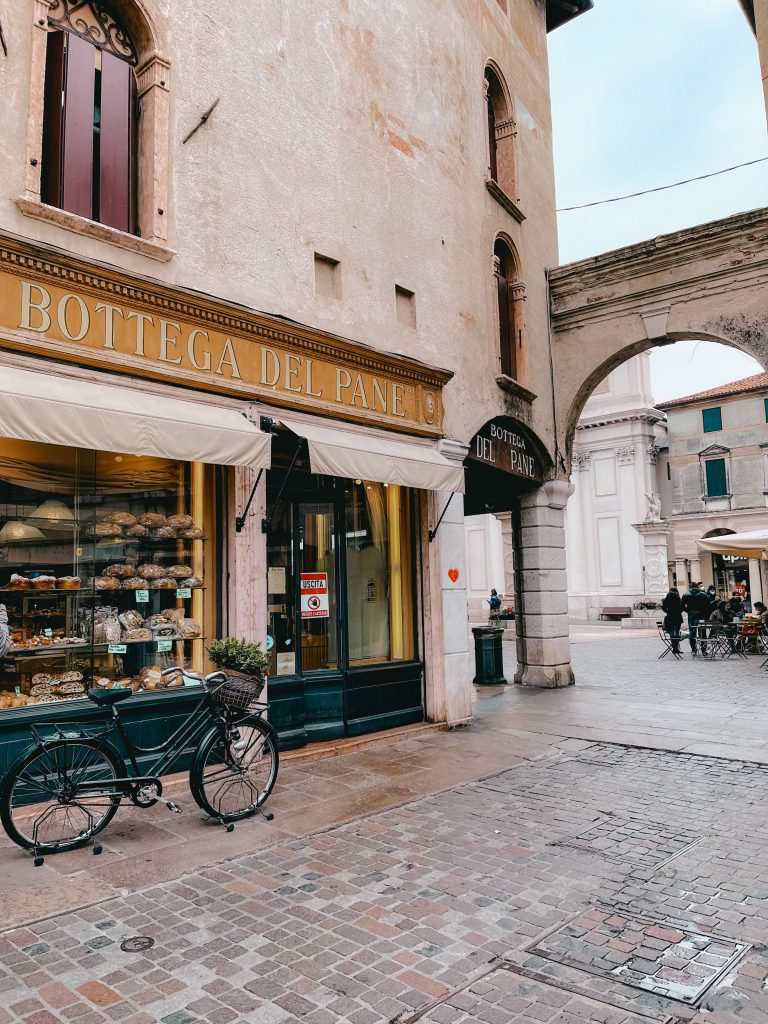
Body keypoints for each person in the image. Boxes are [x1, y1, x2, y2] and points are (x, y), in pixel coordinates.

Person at [681, 583, 712, 655]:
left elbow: (682, 606)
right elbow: (708, 606)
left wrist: (688, 611)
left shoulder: (686, 595)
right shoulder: (703, 595)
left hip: (691, 616)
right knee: (703, 633)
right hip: (701, 615)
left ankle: (694, 650)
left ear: (690, 587)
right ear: (697, 587)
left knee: (692, 633)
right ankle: (703, 650)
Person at [661, 587, 683, 653]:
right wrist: (678, 611)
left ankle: (674, 648)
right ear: (676, 591)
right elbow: (681, 607)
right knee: (676, 633)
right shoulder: (678, 598)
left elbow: (663, 607)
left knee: (672, 634)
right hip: (677, 618)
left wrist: (668, 611)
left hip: (670, 618)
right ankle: (676, 648)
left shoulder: (666, 599)